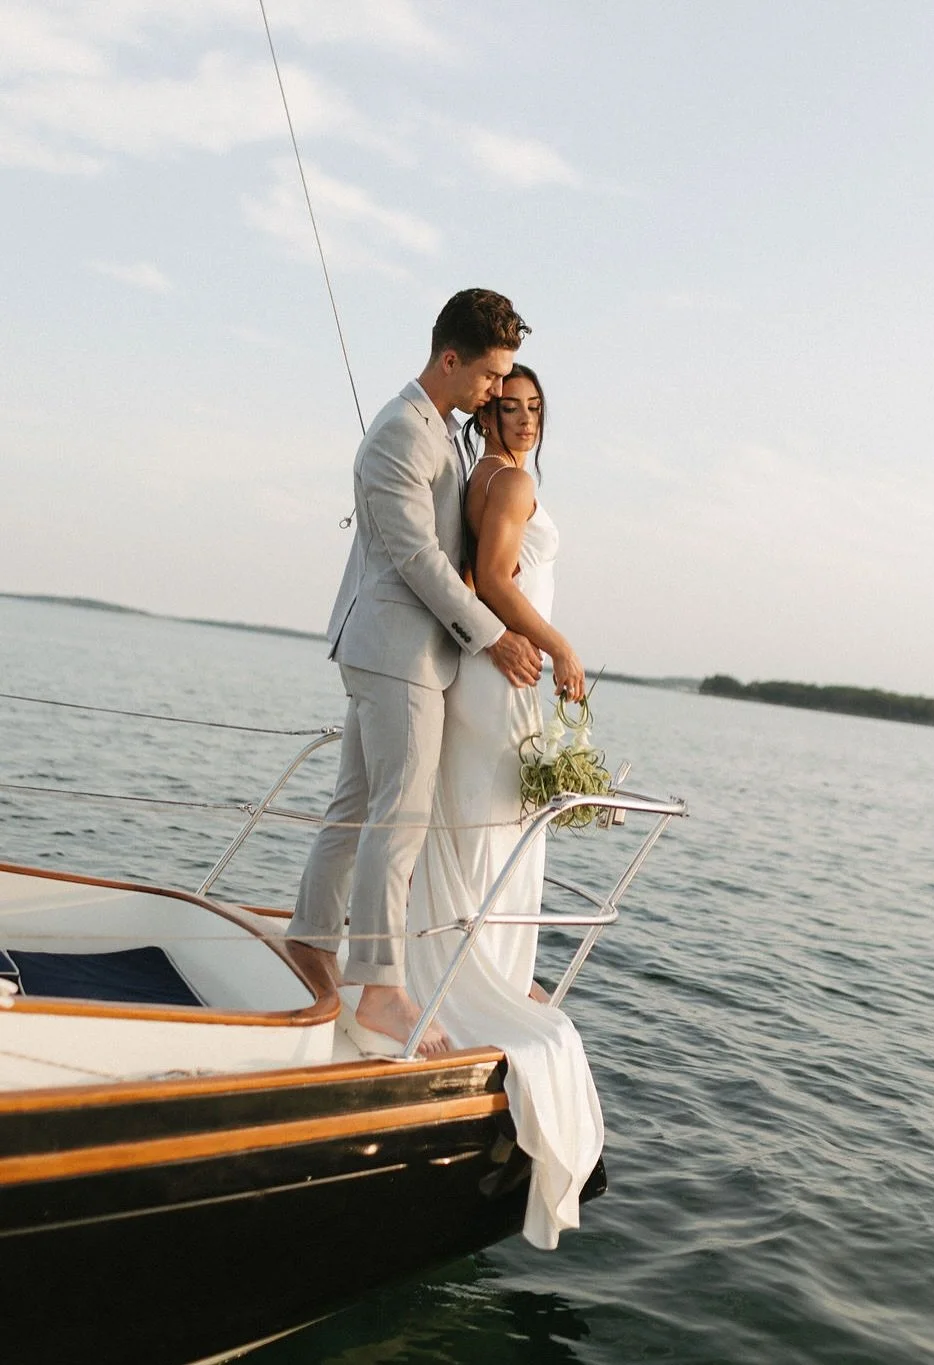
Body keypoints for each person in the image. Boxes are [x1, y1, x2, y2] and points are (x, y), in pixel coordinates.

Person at [288, 289, 562, 1057]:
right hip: (398, 652)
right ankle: (379, 988)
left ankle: (312, 934)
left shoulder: (438, 432)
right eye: (488, 378)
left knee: (355, 802)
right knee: (399, 816)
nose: (494, 395)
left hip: (398, 649)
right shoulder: (401, 434)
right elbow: (415, 558)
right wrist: (493, 635)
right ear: (450, 359)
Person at [405, 365, 604, 1249]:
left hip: (484, 673)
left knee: (475, 827)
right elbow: (490, 577)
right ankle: (479, 975)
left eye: (534, 408)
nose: (523, 419)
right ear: (486, 408)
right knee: (497, 831)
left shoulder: (481, 472)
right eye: (509, 404)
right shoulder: (512, 479)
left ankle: (472, 959)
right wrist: (559, 645)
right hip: (508, 665)